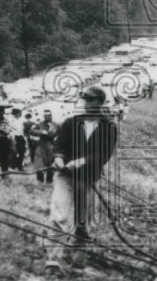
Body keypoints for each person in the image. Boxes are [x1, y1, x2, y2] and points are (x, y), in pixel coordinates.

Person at [46, 87, 118, 269]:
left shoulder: (109, 127)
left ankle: (79, 257)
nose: (86, 104)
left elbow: (104, 154)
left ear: (100, 102)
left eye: (91, 100)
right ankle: (54, 259)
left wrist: (81, 162)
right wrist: (59, 158)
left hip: (87, 178)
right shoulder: (71, 122)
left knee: (82, 220)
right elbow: (59, 145)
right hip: (64, 176)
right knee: (60, 213)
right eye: (85, 100)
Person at [31, 110, 59, 184]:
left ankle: (49, 181)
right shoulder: (39, 124)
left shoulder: (55, 125)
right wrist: (41, 132)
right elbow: (32, 131)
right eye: (45, 115)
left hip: (51, 146)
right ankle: (40, 181)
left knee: (50, 164)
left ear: (51, 115)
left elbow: (60, 134)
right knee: (39, 163)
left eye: (48, 115)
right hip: (41, 145)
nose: (46, 116)